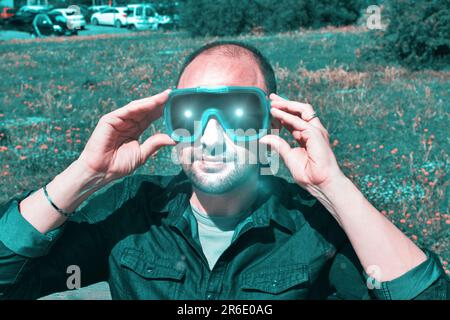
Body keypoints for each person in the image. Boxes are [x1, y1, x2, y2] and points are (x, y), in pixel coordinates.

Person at [0, 41, 448, 300]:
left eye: (237, 111)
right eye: (193, 112)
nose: (212, 136)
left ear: (272, 120)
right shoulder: (132, 209)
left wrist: (333, 187)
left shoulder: (310, 225)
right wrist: (85, 175)